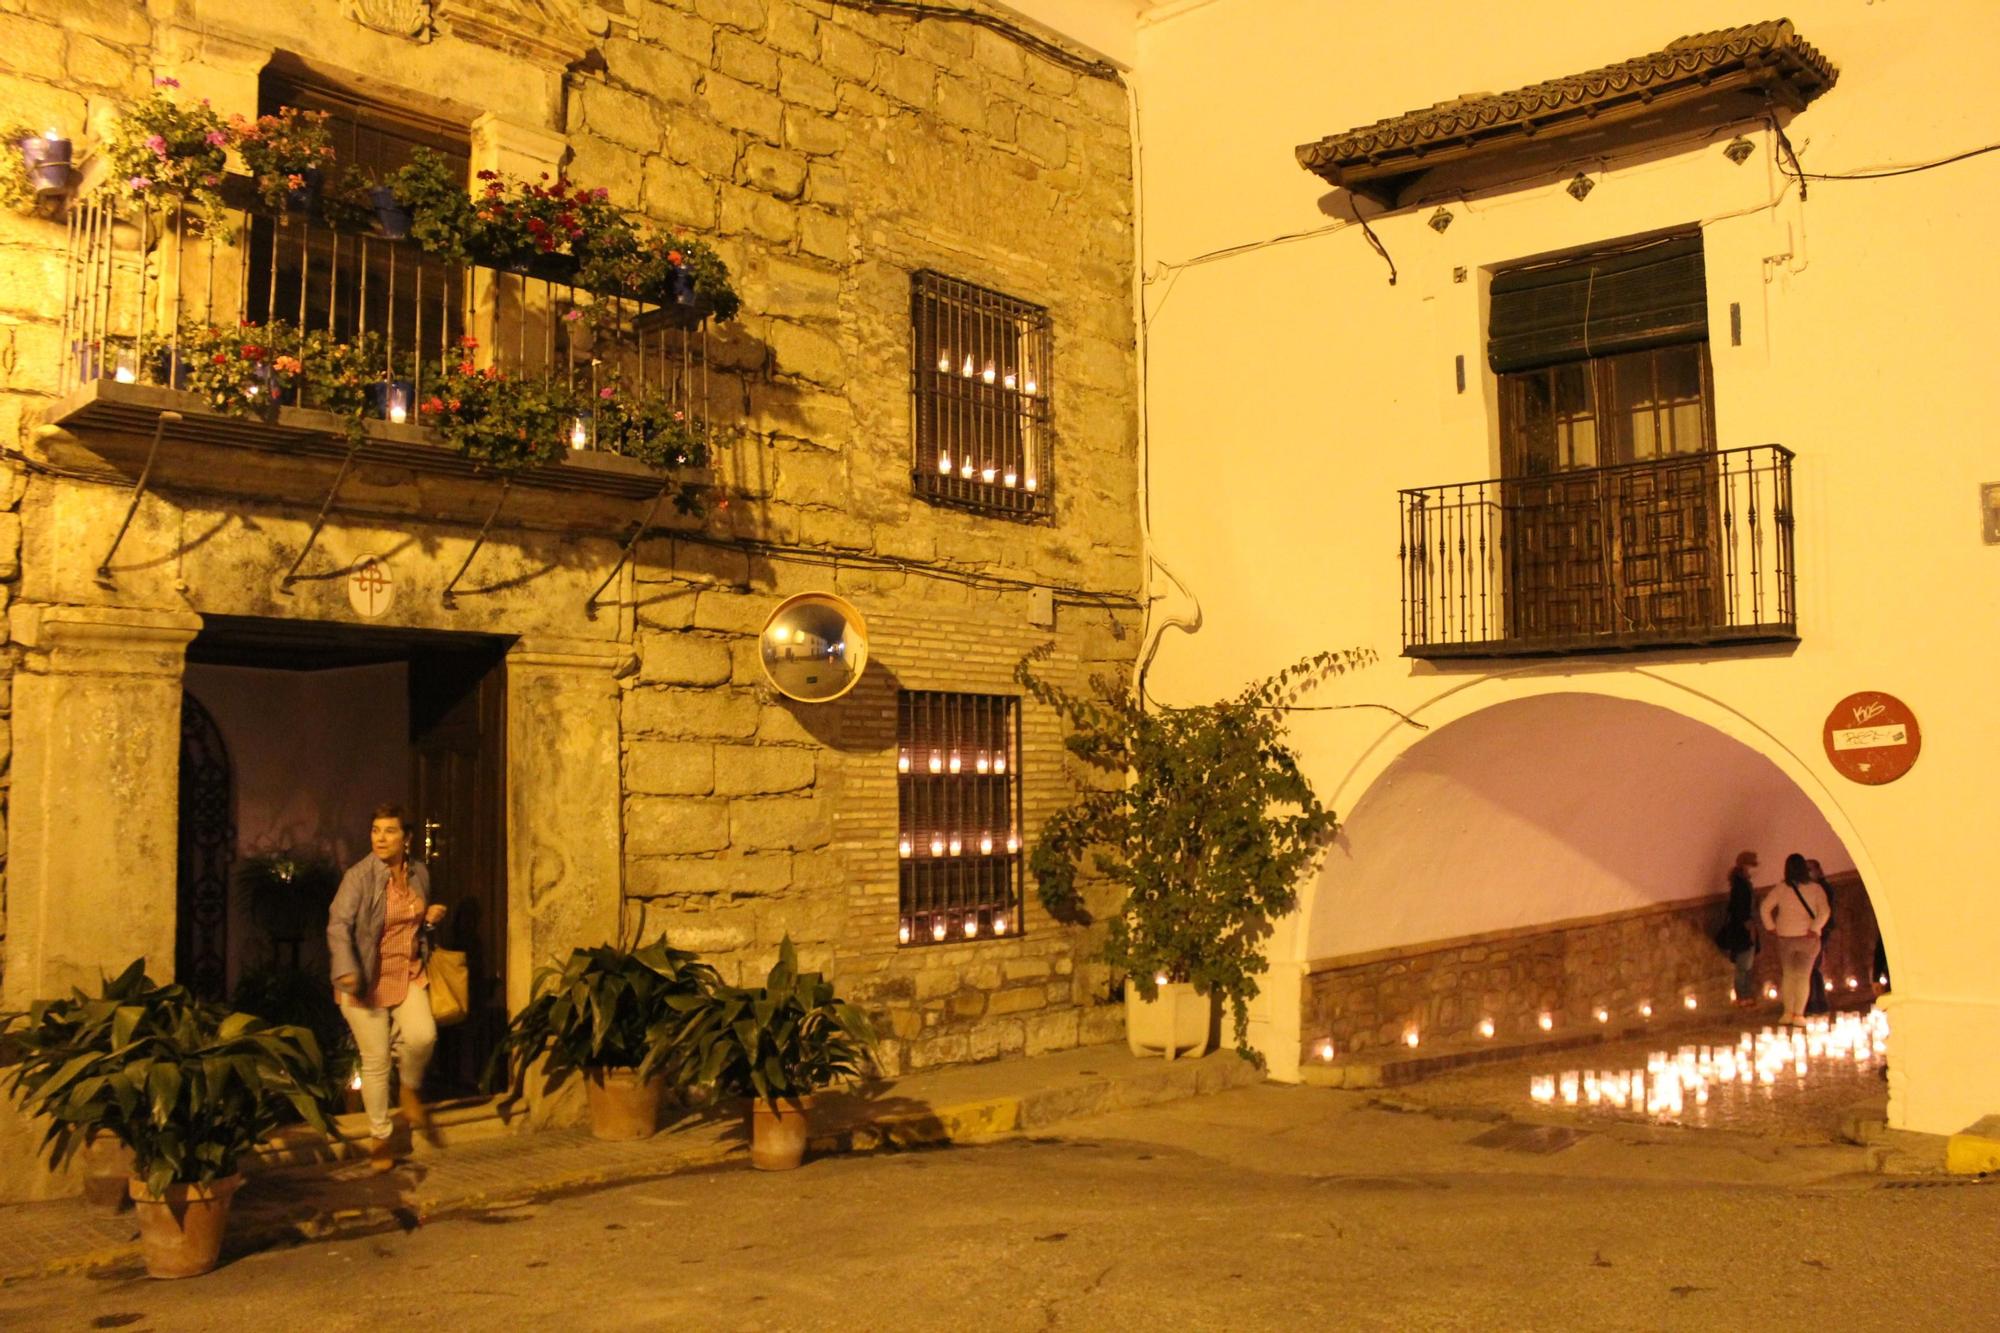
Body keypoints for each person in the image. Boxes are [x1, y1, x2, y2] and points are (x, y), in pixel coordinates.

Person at [328, 804, 447, 1171]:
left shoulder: (419, 873)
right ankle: (380, 1137)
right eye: (376, 830)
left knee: (423, 1036)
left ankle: (409, 1088)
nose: (381, 838)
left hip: (407, 971)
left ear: (406, 839)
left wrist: (428, 919)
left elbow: (411, 925)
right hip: (365, 979)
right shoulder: (359, 877)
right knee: (376, 1061)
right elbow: (338, 925)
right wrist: (346, 970)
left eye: (390, 831)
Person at [1758, 852, 1830, 1027]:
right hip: (1808, 938)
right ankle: (1799, 1014)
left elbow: (1765, 907)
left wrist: (1771, 927)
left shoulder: (1781, 888)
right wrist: (1815, 928)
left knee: (1789, 975)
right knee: (1803, 976)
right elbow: (1825, 911)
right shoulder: (1815, 889)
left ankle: (1787, 1012)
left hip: (1785, 937)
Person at [1717, 851, 1761, 1006]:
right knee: (1743, 965)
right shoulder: (1741, 885)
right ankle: (1742, 995)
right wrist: (1749, 927)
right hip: (1743, 930)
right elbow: (1741, 910)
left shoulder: (1741, 884)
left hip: (1743, 928)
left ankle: (1745, 994)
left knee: (1746, 964)